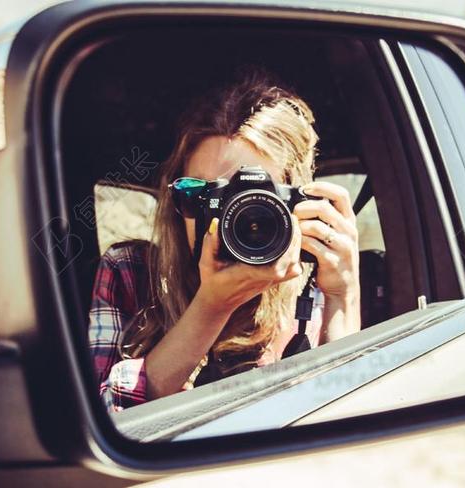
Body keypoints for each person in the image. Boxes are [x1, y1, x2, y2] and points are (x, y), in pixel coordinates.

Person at [88, 68, 361, 412]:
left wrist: (343, 293)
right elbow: (106, 419)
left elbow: (345, 412)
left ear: (295, 204)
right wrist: (211, 306)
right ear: (177, 202)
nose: (229, 219)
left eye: (256, 199)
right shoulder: (131, 274)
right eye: (200, 195)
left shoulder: (311, 282)